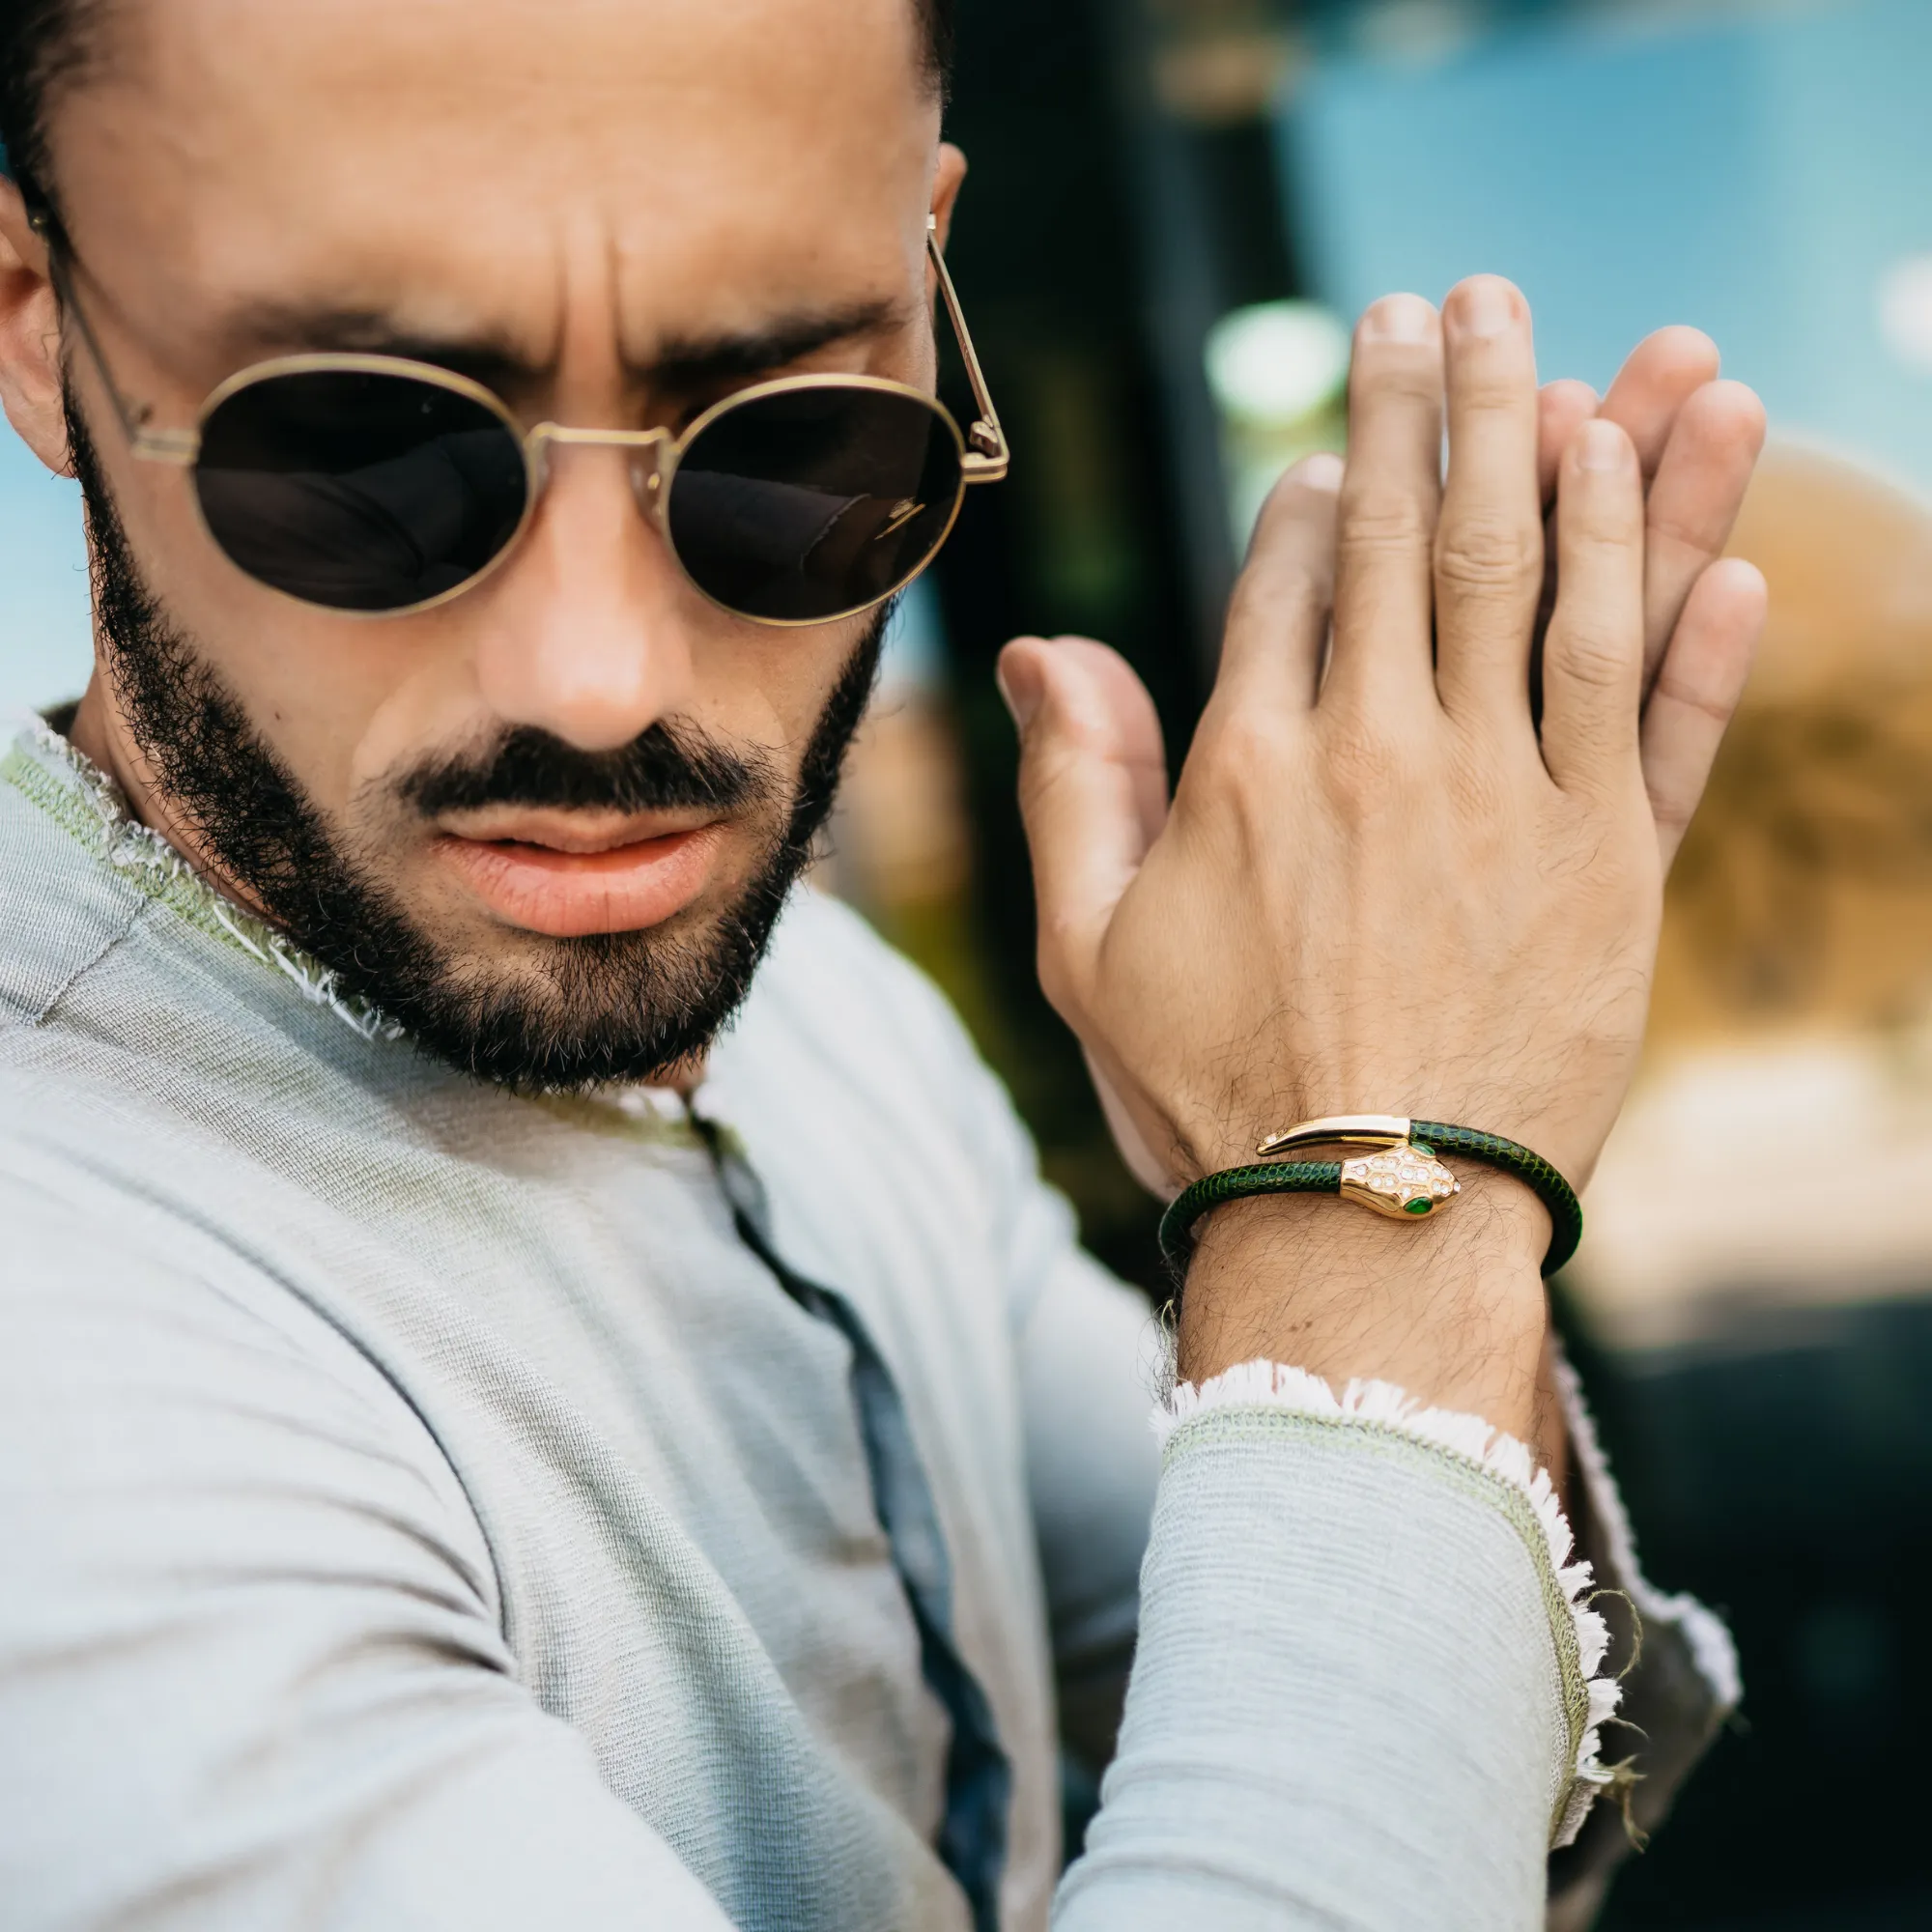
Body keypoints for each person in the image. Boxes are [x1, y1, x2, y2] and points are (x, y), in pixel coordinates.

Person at [0, 1, 1769, 1926]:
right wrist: (1385, 1191)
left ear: (926, 287)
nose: (604, 684)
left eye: (788, 436)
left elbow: (1449, 1790)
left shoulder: (815, 1011)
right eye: (359, 447)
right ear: (32, 310)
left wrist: (1352, 1123)